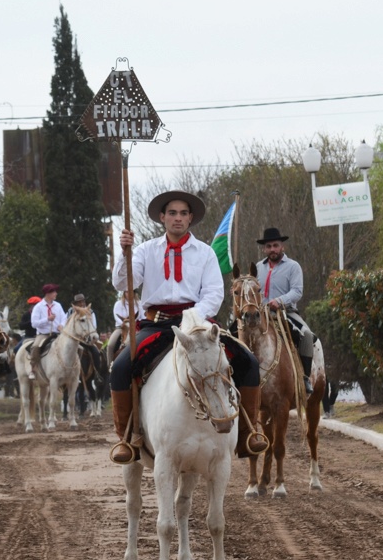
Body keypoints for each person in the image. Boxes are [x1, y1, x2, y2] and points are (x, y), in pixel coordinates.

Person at [108, 190, 268, 464]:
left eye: (183, 213)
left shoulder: (205, 253)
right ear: (162, 217)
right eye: (172, 213)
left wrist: (193, 320)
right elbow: (123, 284)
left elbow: (215, 293)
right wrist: (124, 253)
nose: (178, 218)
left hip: (197, 326)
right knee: (121, 368)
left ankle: (248, 433)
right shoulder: (145, 250)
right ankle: (127, 439)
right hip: (156, 325)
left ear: (191, 218)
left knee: (249, 362)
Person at [255, 227, 319, 394]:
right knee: (235, 333)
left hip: (286, 312)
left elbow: (297, 291)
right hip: (260, 314)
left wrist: (280, 301)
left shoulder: (293, 267)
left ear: (282, 246)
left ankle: (305, 377)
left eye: (275, 245)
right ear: (264, 249)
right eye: (269, 246)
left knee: (306, 335)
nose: (272, 249)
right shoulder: (258, 268)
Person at [27, 284, 65, 380]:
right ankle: (33, 369)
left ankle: (73, 371)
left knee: (73, 345)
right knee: (35, 347)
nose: (56, 293)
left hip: (57, 334)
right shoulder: (38, 307)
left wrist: (62, 325)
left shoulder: (58, 305)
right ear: (48, 293)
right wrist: (47, 319)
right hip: (43, 334)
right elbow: (34, 324)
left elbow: (64, 318)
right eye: (54, 292)